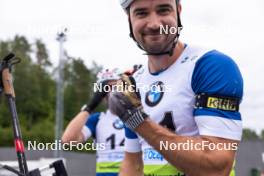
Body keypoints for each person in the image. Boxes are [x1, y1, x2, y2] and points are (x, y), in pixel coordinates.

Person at [108, 0, 243, 175]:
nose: (155, 24)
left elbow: (217, 166)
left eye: (163, 10)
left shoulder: (210, 66)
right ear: (129, 20)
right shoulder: (134, 83)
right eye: (141, 13)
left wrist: (137, 120)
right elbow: (133, 162)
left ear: (178, 11)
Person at [61, 68, 126, 176]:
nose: (112, 92)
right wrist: (90, 106)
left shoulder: (136, 115)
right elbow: (68, 140)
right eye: (106, 89)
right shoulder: (97, 119)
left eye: (116, 87)